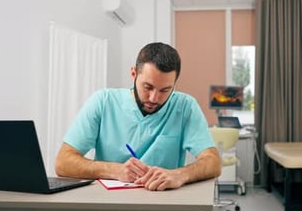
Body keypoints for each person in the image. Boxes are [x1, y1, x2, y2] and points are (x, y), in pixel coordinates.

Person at [55, 42, 221, 191]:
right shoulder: (103, 101)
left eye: (165, 90)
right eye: (148, 87)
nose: (154, 99)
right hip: (108, 204)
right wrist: (114, 170)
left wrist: (180, 175)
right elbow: (63, 162)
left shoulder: (185, 106)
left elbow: (213, 162)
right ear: (133, 74)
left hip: (165, 204)